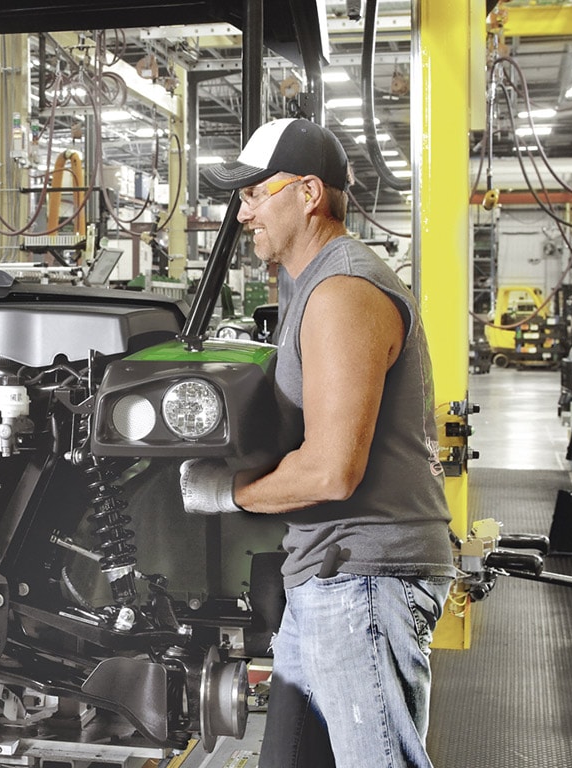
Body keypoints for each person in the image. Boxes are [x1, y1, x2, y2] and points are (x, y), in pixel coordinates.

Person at [181, 118, 455, 768]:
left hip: (362, 575)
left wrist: (229, 491)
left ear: (307, 193)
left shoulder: (342, 291)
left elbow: (332, 471)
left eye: (254, 192)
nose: (242, 210)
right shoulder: (310, 283)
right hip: (327, 573)